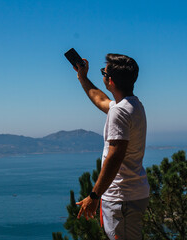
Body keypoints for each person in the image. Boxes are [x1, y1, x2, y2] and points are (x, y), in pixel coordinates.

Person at [74, 53, 150, 240]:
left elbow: (115, 157)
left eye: (103, 72)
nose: (103, 76)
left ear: (111, 81)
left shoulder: (119, 111)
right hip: (133, 193)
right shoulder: (133, 105)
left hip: (121, 197)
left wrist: (94, 195)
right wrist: (83, 78)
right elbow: (101, 100)